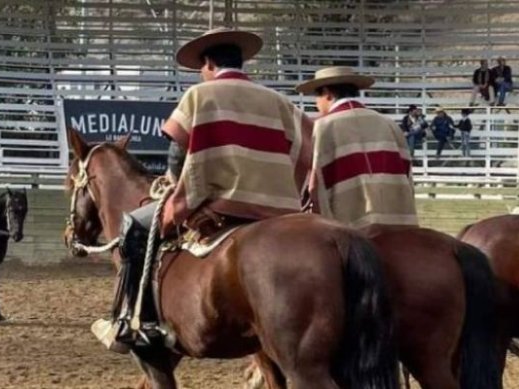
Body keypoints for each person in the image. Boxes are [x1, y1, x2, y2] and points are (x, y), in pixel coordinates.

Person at [94, 27, 312, 350]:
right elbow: (307, 153)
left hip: (222, 206)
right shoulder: (280, 102)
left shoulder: (199, 96)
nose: (200, 74)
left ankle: (135, 320)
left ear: (210, 63)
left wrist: (173, 184)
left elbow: (177, 150)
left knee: (133, 227)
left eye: (201, 67)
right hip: (280, 213)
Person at [296, 66, 417, 234]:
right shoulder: (388, 123)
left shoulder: (324, 126)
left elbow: (315, 184)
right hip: (397, 222)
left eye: (317, 96)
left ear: (327, 93)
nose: (316, 103)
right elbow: (408, 176)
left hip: (349, 227)